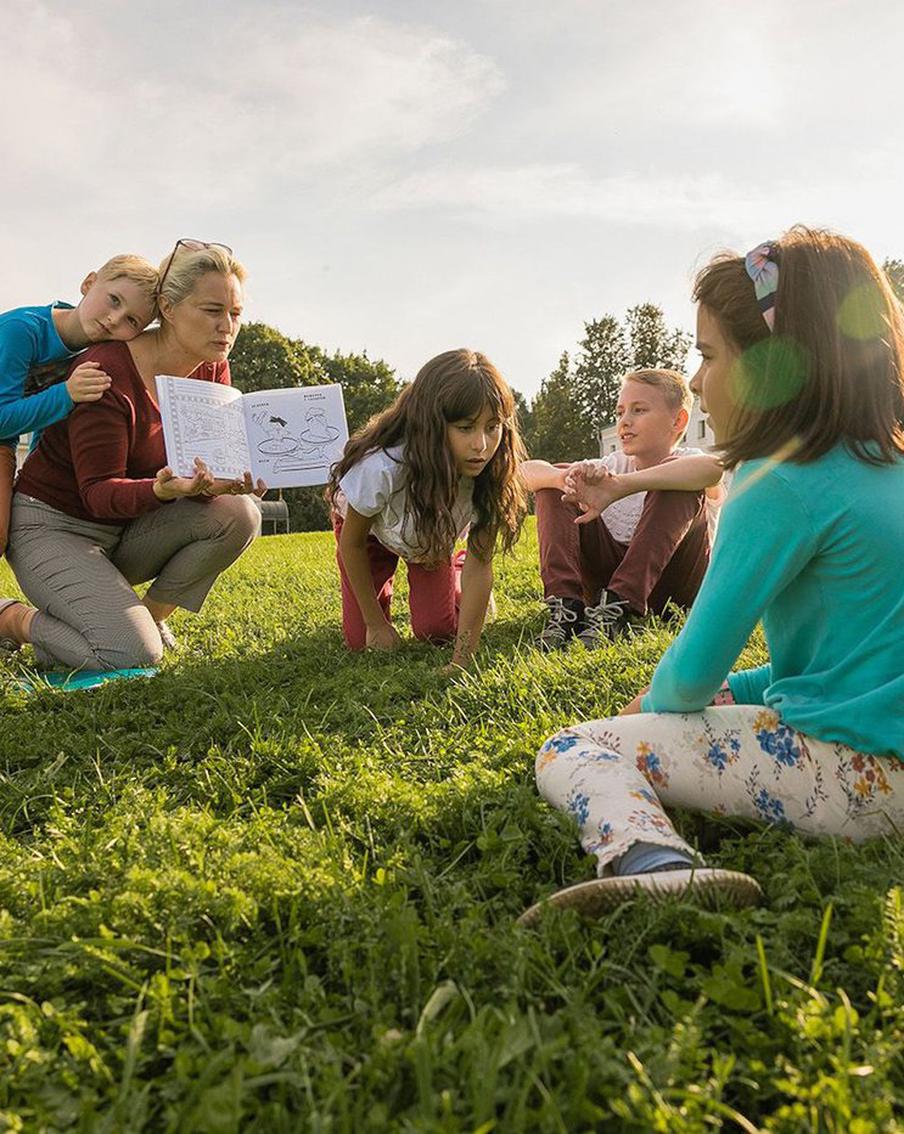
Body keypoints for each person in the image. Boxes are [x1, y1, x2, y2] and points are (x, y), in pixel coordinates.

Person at [522, 227, 904, 924]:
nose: (697, 381)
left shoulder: (776, 481)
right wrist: (742, 689)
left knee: (572, 746)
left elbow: (689, 680)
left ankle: (652, 859)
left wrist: (656, 705)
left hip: (864, 778)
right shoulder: (889, 463)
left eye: (707, 355)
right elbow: (841, 663)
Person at [0, 241, 263, 670]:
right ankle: (13, 620)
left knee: (241, 513)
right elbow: (98, 495)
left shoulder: (213, 366)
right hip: (55, 525)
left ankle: (149, 617)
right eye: (212, 310)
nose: (226, 327)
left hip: (127, 526)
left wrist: (220, 480)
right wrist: (161, 491)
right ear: (170, 308)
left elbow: (201, 467)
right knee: (130, 655)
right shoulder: (104, 372)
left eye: (235, 314)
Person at [328, 348, 527, 669]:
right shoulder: (382, 467)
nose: (481, 445)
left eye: (492, 427)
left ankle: (454, 569)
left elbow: (482, 564)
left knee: (436, 631)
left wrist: (462, 660)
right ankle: (377, 608)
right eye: (465, 428)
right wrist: (376, 624)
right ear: (432, 424)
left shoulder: (491, 474)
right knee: (359, 641)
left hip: (430, 538)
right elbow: (350, 545)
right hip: (370, 538)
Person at [521, 368, 724, 649]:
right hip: (603, 592)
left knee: (675, 484)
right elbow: (524, 473)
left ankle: (620, 607)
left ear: (678, 420)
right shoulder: (611, 464)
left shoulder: (689, 459)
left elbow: (712, 470)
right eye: (620, 412)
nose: (624, 422)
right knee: (558, 483)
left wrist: (620, 486)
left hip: (673, 591)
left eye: (639, 410)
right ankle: (566, 609)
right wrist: (562, 478)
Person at [0, 255, 159, 554]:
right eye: (114, 300)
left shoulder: (95, 353)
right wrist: (65, 395)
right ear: (88, 283)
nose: (115, 319)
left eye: (132, 321)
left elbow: (48, 426)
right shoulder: (21, 330)